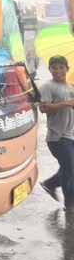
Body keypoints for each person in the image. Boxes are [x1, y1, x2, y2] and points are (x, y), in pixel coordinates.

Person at [38, 55, 74, 210]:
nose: (58, 71)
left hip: (72, 134)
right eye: (54, 67)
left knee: (69, 168)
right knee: (70, 171)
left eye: (61, 67)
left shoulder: (71, 86)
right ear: (49, 70)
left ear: (67, 69)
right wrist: (66, 103)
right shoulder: (47, 87)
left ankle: (49, 184)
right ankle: (70, 204)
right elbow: (43, 108)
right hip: (58, 136)